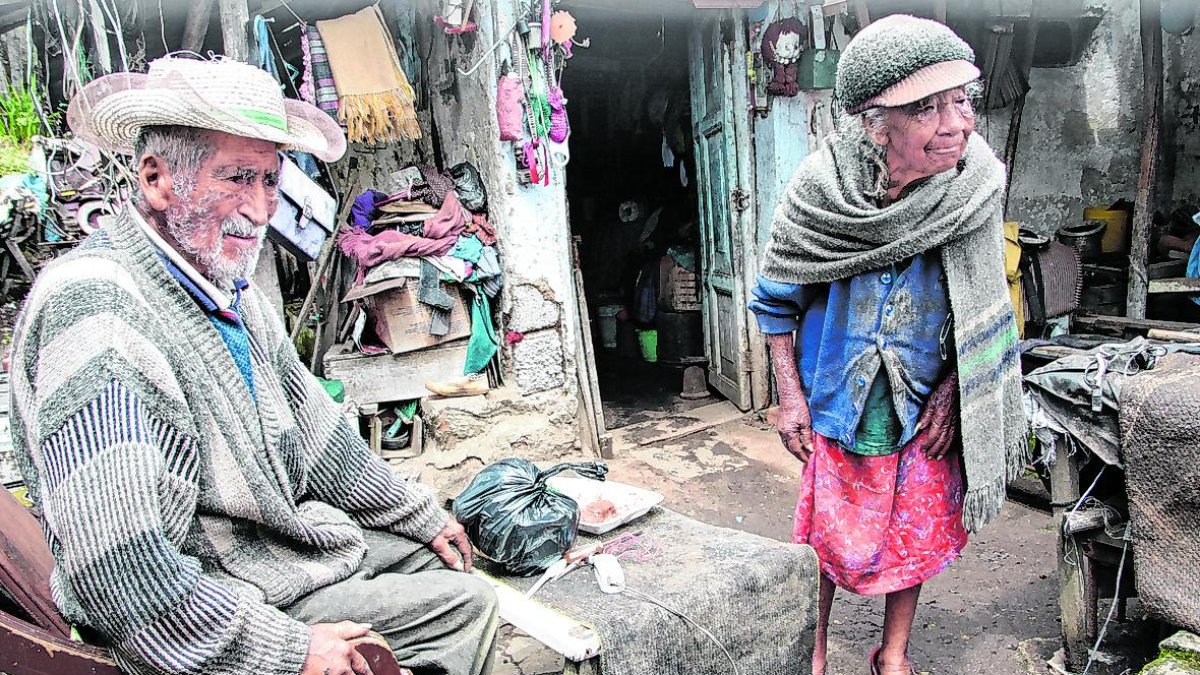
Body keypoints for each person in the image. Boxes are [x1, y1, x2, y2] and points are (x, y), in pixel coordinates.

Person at [8, 56, 497, 675]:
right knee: (468, 608)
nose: (263, 209)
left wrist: (416, 512)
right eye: (237, 178)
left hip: (270, 556)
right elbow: (117, 570)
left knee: (438, 556)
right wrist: (287, 650)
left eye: (270, 180)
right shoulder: (99, 311)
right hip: (205, 602)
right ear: (157, 179)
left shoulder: (226, 291)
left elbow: (322, 442)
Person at [748, 15, 1026, 675]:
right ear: (877, 123)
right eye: (927, 108)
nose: (956, 123)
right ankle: (811, 649)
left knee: (917, 530)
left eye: (962, 100)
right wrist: (790, 399)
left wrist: (960, 387)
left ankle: (892, 654)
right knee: (825, 534)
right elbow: (774, 301)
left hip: (924, 396)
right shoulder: (825, 191)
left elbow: (986, 298)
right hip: (840, 396)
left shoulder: (974, 182)